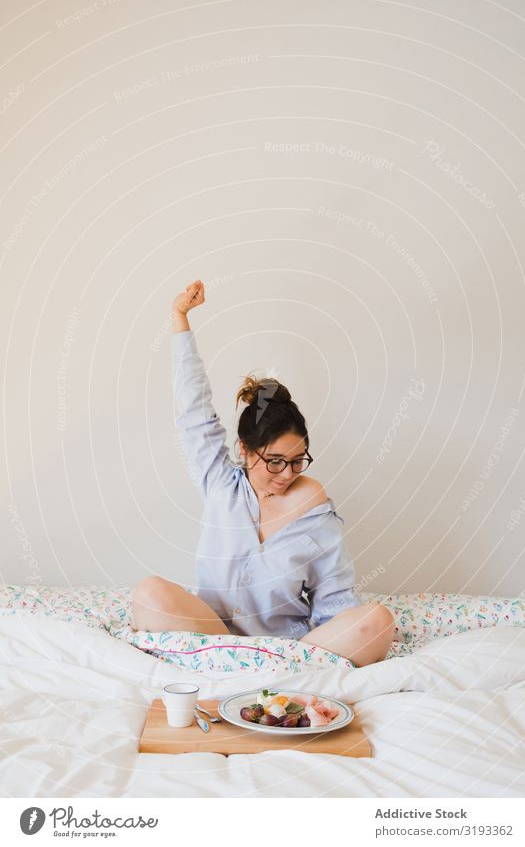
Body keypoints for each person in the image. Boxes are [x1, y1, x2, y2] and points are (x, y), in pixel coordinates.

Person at [132, 280, 394, 666]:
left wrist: (341, 638)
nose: (286, 473)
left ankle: (268, 670)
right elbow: (194, 415)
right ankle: (236, 663)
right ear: (245, 450)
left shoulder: (316, 516)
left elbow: (335, 606)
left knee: (377, 620)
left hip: (286, 649)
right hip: (213, 634)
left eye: (297, 460)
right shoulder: (221, 484)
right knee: (148, 594)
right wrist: (179, 319)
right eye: (274, 461)